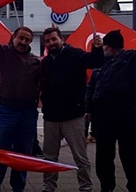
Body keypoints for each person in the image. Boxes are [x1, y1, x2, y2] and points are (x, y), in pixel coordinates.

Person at [85, 11, 136, 192]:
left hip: (126, 116)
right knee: (104, 157)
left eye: (105, 46)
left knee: (129, 155)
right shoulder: (101, 63)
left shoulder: (131, 59)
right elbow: (91, 88)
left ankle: (134, 187)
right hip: (103, 117)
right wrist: (88, 109)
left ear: (111, 47)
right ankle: (107, 187)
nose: (104, 50)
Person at [0, 9, 41, 192]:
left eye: (27, 40)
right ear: (13, 38)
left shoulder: (36, 61)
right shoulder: (2, 53)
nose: (23, 42)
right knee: (1, 150)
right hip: (5, 110)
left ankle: (18, 187)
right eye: (20, 38)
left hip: (27, 112)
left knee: (23, 153)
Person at [40, 26, 104, 192]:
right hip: (51, 117)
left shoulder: (75, 55)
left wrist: (97, 48)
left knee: (80, 157)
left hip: (73, 116)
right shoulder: (45, 63)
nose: (51, 43)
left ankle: (86, 187)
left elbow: (96, 61)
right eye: (47, 41)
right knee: (50, 157)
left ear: (61, 39)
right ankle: (49, 186)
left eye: (54, 39)